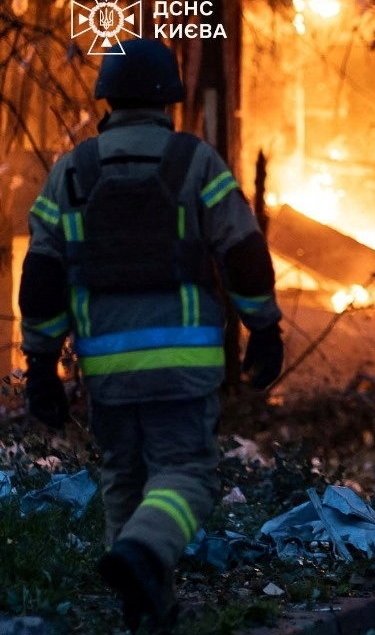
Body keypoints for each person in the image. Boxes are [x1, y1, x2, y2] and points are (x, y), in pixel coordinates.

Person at [18, 38, 283, 633]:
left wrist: (41, 364)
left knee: (125, 475)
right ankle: (141, 554)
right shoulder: (194, 162)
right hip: (182, 364)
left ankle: (145, 607)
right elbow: (242, 250)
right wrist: (263, 326)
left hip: (106, 365)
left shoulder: (73, 171)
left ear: (106, 97)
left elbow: (41, 274)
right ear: (169, 99)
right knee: (185, 474)